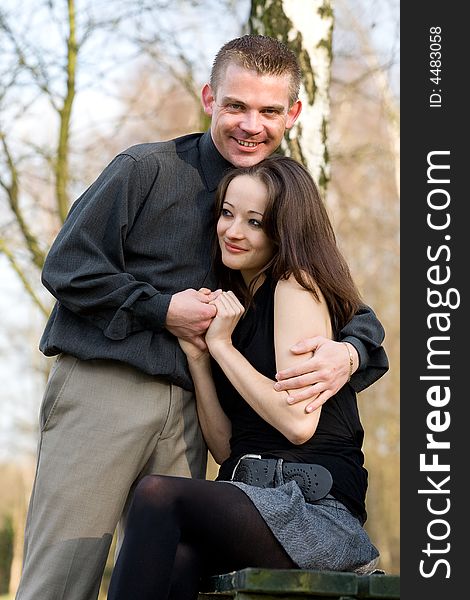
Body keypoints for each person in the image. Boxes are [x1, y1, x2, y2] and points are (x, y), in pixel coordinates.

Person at [16, 35, 388, 600]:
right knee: (63, 578)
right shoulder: (145, 169)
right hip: (113, 387)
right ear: (210, 97)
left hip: (203, 409)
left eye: (268, 110)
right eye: (236, 105)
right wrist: (163, 309)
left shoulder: (285, 198)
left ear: (293, 114)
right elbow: (67, 266)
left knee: (175, 575)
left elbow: (338, 297)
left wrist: (353, 348)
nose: (250, 124)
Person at [106, 155, 386, 600]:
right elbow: (225, 447)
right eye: (227, 213)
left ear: (284, 231)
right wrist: (200, 356)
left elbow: (298, 425)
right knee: (177, 561)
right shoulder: (238, 305)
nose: (233, 231)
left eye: (255, 222)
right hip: (253, 499)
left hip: (315, 513)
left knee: (157, 494)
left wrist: (222, 348)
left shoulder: (296, 286)